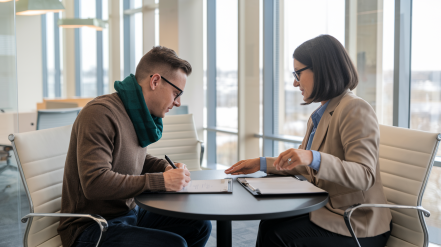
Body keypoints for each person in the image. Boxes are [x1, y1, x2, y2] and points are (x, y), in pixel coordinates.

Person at [225, 35, 392, 247]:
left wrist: (313, 157)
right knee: (269, 225)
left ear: (321, 70)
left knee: (279, 236)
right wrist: (262, 163)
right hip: (329, 210)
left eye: (298, 73)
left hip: (358, 223)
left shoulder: (355, 108)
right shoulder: (321, 114)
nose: (295, 82)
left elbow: (364, 175)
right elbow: (305, 167)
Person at [58, 46, 211, 247]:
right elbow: (94, 183)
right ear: (155, 81)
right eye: (176, 93)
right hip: (91, 226)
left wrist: (163, 168)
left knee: (200, 225)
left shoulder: (137, 114)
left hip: (128, 213)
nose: (178, 102)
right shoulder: (100, 114)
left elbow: (129, 159)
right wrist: (161, 181)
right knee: (174, 244)